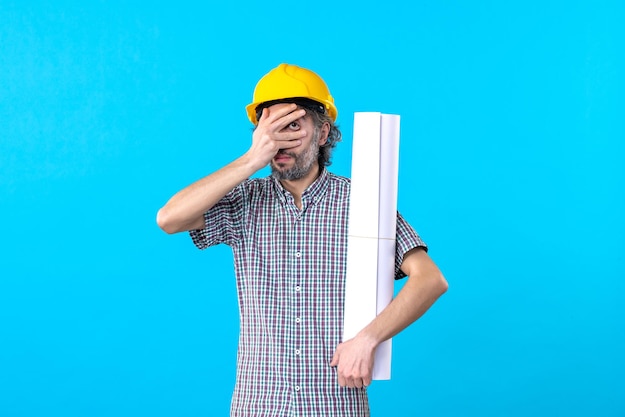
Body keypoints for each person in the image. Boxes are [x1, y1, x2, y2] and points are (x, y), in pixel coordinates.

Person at [156, 63, 448, 417]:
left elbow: (430, 279)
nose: (280, 139)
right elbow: (169, 219)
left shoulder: (365, 201)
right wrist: (251, 159)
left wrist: (369, 337)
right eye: (270, 127)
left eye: (293, 125)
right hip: (258, 403)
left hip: (336, 402)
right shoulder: (244, 200)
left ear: (323, 133)